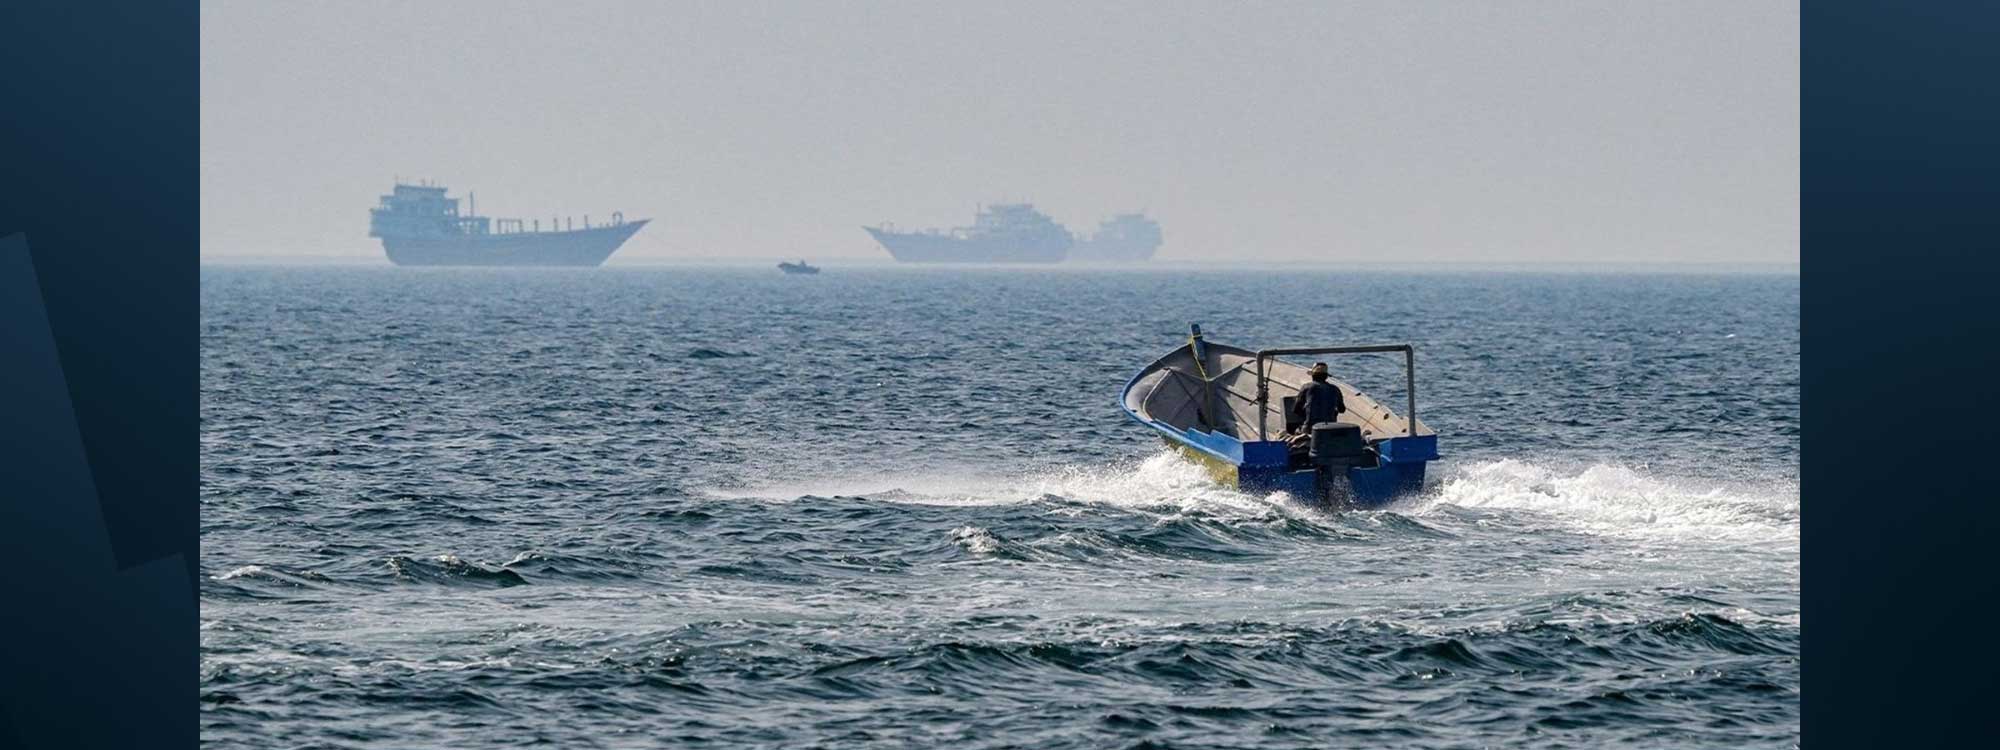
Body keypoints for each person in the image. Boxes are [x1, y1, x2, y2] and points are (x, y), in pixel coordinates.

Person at [1288, 362, 1346, 446]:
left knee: (1293, 430)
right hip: (1330, 429)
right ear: (1326, 376)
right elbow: (1342, 410)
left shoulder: (1307, 387)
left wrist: (1307, 413)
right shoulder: (1335, 389)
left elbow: (1296, 409)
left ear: (1312, 376)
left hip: (1310, 429)